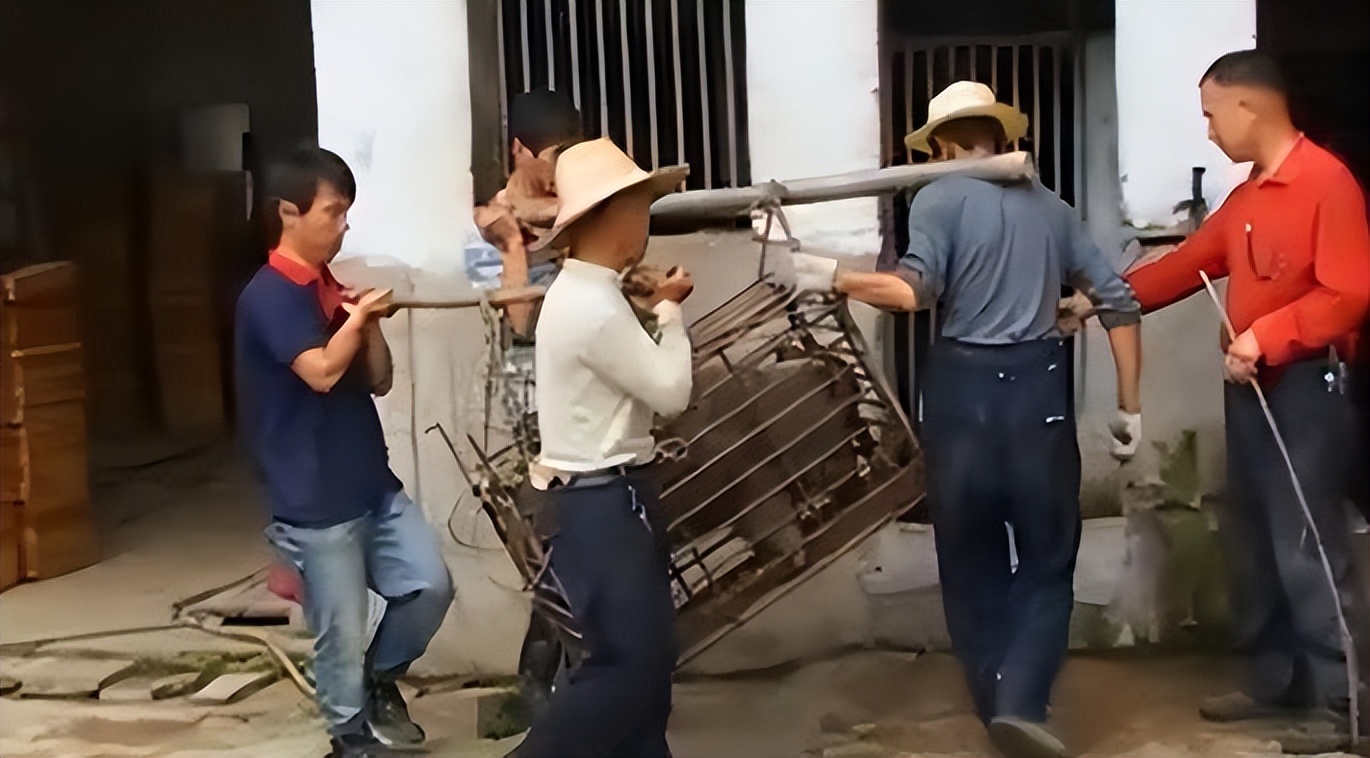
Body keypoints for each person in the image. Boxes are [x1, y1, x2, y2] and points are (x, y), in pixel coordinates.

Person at [789, 81, 1144, 758]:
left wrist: (832, 275)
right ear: (1001, 138)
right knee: (1045, 559)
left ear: (945, 144)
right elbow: (1118, 301)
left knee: (969, 556)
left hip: (961, 393)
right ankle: (1021, 703)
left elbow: (913, 291)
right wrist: (1130, 405)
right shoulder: (1054, 209)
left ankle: (996, 706)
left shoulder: (937, 198)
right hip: (1037, 390)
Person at [1123, 50, 1369, 749]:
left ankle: (1342, 704)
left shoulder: (1328, 182)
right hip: (1253, 389)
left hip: (1307, 389)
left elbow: (1353, 290)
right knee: (1252, 537)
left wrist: (1271, 334)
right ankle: (1274, 681)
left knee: (1304, 542)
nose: (1207, 131)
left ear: (1248, 106)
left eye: (1210, 113)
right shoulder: (1251, 197)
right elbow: (1187, 262)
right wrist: (1101, 299)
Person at [235, 147, 455, 758]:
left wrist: (370, 324)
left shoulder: (330, 286)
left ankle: (380, 681)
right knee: (341, 629)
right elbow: (322, 373)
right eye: (333, 212)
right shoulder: (271, 295)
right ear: (290, 213)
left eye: (346, 212)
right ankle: (350, 739)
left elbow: (377, 379)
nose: (343, 224)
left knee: (429, 586)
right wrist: (355, 322)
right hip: (313, 497)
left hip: (369, 481)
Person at [508, 138, 692, 758]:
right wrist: (670, 314)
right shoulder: (591, 304)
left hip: (599, 497)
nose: (645, 221)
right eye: (639, 206)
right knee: (624, 671)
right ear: (610, 216)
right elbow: (670, 392)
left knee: (644, 676)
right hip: (604, 501)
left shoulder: (589, 294)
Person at [474, 89, 585, 338]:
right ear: (518, 149)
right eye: (550, 158)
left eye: (568, 156)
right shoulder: (489, 228)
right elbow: (517, 333)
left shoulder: (587, 210)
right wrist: (512, 247)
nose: (558, 169)